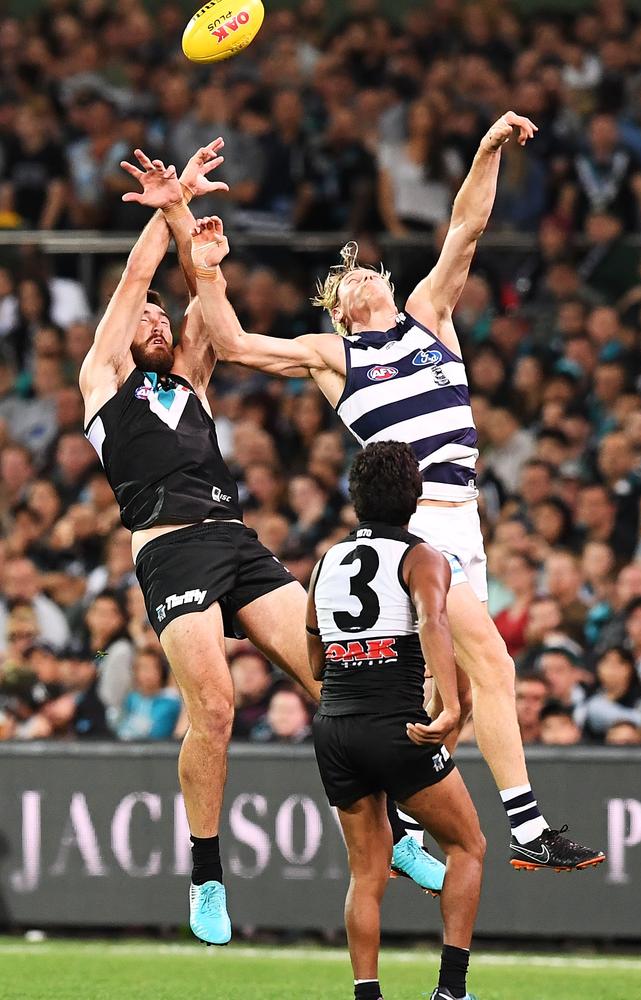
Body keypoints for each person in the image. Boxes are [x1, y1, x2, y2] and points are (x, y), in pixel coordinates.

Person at [186, 111, 605, 871]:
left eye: (365, 266)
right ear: (342, 307)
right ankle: (529, 829)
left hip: (467, 524)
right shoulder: (333, 353)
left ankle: (410, 826)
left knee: (467, 698)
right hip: (419, 538)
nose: (364, 270)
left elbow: (466, 230)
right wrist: (207, 267)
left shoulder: (428, 316)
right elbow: (237, 344)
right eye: (348, 277)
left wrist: (483, 151)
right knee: (495, 667)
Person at [79, 140, 321, 947]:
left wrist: (185, 212)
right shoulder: (104, 380)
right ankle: (208, 874)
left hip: (237, 540)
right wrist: (161, 214)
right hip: (171, 551)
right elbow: (136, 285)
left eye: (159, 319)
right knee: (213, 707)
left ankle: (400, 824)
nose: (153, 321)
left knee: (338, 676)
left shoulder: (190, 380)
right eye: (144, 319)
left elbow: (202, 297)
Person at [307, 442, 484, 1000]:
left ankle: (367, 994)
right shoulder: (422, 555)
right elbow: (433, 619)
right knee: (468, 846)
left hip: (335, 728)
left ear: (355, 498)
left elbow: (314, 658)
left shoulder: (326, 560)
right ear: (415, 496)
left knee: (367, 873)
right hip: (395, 726)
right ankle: (450, 990)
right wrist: (451, 703)